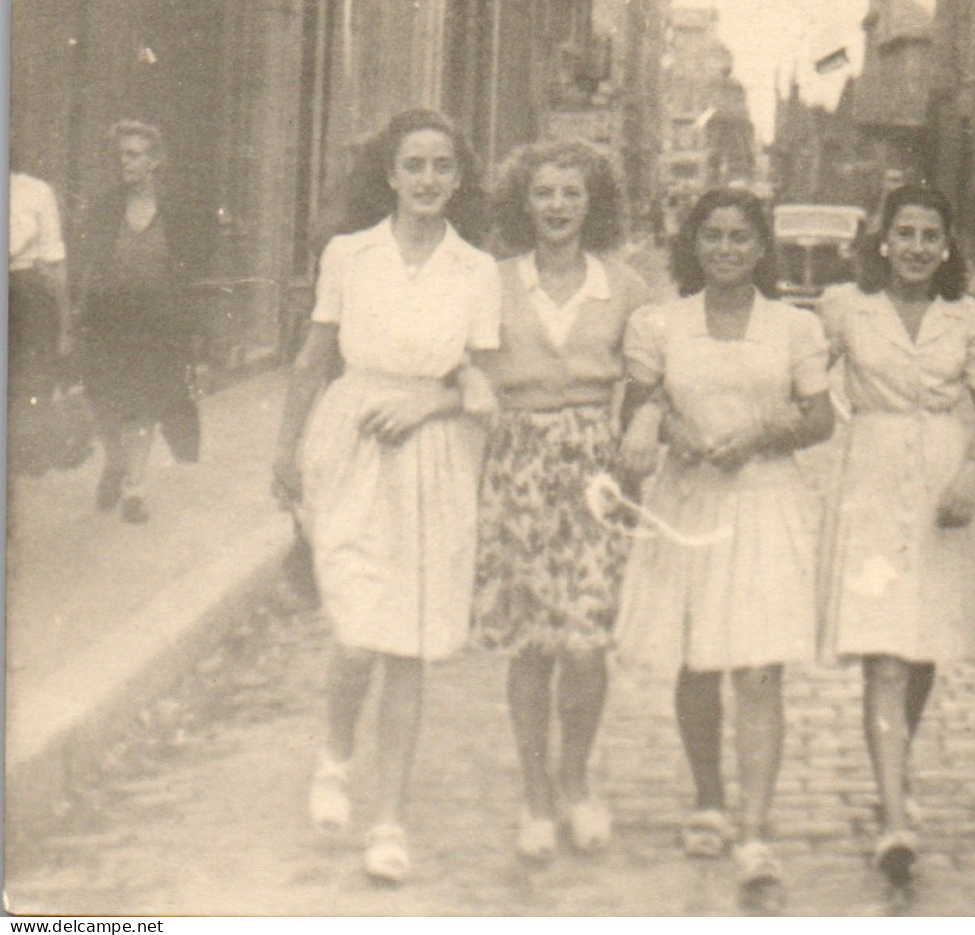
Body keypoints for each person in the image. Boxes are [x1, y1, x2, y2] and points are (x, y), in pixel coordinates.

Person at [271, 109, 500, 884]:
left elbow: (486, 377)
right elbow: (312, 358)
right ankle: (336, 753)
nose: (428, 179)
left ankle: (390, 820)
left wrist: (432, 402)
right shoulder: (350, 255)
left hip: (434, 452)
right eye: (414, 165)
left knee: (409, 642)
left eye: (443, 165)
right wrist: (286, 451)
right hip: (351, 441)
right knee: (356, 634)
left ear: (458, 179)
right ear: (391, 175)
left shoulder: (476, 270)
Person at [615, 186, 834, 909]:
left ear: (760, 247)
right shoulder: (660, 323)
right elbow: (639, 405)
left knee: (759, 668)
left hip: (766, 500)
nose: (726, 249)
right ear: (693, 243)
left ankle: (754, 826)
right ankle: (708, 798)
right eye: (712, 236)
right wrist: (680, 436)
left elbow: (818, 419)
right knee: (697, 658)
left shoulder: (792, 328)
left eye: (740, 237)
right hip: (689, 500)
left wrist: (761, 434)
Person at [816, 183, 975, 886]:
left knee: (923, 645)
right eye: (903, 233)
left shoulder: (968, 319)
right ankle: (894, 813)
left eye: (928, 236)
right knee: (884, 656)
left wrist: (969, 474)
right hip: (868, 485)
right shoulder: (846, 309)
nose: (914, 247)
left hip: (941, 489)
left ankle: (894, 774)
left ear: (945, 246)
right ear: (883, 240)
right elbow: (799, 378)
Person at [469, 139, 650, 861]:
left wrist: (643, 417)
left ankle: (576, 780)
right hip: (515, 465)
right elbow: (462, 359)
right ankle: (536, 795)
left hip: (593, 474)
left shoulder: (626, 286)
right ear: (524, 202)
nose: (557, 207)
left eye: (571, 194)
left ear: (591, 204)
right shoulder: (492, 280)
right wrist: (473, 386)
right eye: (544, 193)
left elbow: (651, 372)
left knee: (584, 642)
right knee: (531, 641)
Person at [77, 121, 211, 522]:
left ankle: (134, 487)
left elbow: (191, 274)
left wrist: (194, 332)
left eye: (134, 155)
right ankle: (115, 461)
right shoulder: (104, 209)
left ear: (154, 161)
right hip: (108, 323)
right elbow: (88, 267)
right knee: (104, 404)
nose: (125, 162)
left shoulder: (176, 212)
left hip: (157, 325)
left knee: (144, 404)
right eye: (120, 154)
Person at [9, 168, 79, 474]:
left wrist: (65, 326)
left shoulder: (36, 191)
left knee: (33, 379)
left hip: (28, 296)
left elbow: (56, 263)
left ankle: (30, 453)